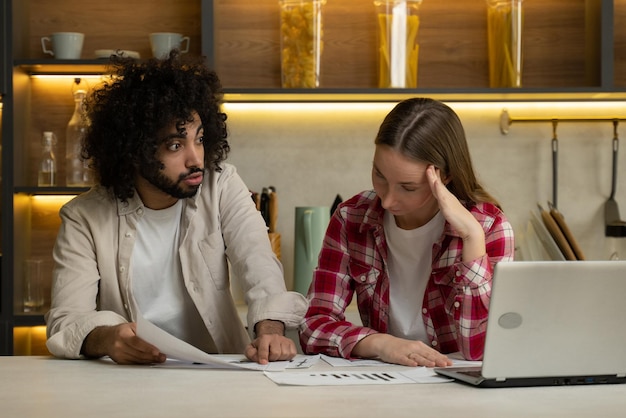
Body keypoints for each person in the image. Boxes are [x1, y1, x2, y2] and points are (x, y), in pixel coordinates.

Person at [45, 51, 307, 365]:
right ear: (133, 151)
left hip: (222, 370)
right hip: (130, 379)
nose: (196, 159)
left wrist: (270, 331)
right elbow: (67, 320)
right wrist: (109, 338)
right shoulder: (83, 217)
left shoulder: (221, 186)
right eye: (175, 145)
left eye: (199, 139)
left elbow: (259, 266)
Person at [299, 98, 514, 367]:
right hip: (383, 380)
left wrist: (472, 239)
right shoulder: (350, 218)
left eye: (408, 187)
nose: (387, 201)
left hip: (457, 388)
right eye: (379, 175)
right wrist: (380, 343)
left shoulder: (489, 227)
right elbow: (313, 326)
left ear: (444, 176)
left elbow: (480, 350)